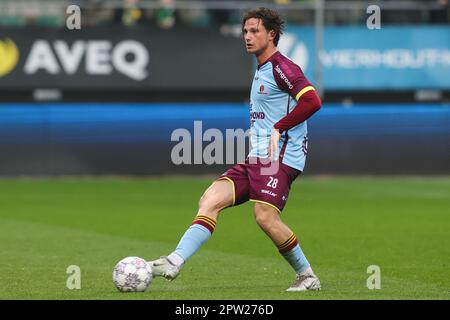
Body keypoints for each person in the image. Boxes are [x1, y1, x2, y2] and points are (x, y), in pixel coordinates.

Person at [148, 7, 322, 292]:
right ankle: (174, 261)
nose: (248, 36)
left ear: (272, 34)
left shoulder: (283, 68)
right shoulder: (262, 68)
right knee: (210, 198)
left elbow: (312, 101)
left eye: (255, 31)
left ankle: (307, 275)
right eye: (245, 31)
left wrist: (279, 127)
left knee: (265, 217)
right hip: (257, 158)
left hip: (278, 157)